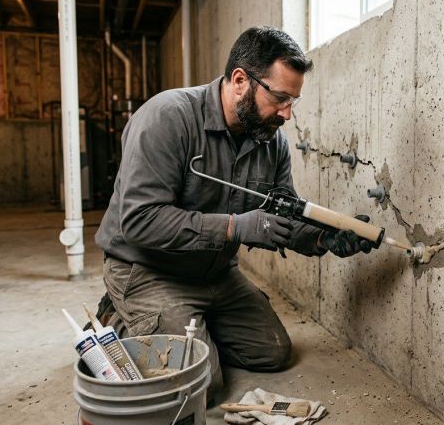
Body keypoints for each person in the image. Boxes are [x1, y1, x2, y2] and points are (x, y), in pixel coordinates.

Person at [93, 26, 373, 397]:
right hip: (149, 269)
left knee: (272, 352)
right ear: (240, 81)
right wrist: (234, 227)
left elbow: (280, 216)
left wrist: (323, 237)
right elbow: (139, 221)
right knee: (202, 384)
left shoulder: (271, 142)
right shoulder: (167, 118)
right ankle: (119, 317)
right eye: (280, 98)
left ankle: (190, 327)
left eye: (293, 101)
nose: (287, 114)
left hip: (213, 272)